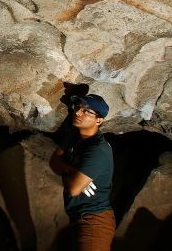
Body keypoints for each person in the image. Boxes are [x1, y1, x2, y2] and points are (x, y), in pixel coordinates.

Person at [49, 94, 115, 251]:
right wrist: (72, 170)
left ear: (99, 120)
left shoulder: (98, 149)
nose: (78, 113)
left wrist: (69, 174)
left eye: (86, 111)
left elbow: (73, 189)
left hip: (94, 220)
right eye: (78, 107)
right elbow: (53, 161)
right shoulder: (74, 137)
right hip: (77, 216)